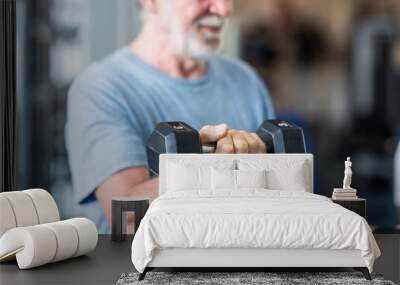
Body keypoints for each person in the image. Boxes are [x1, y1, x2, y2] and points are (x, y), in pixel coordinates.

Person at [65, 0, 275, 233]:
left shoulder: (246, 81)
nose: (224, 10)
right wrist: (216, 165)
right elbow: (126, 215)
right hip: (144, 268)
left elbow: (283, 200)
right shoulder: (100, 88)